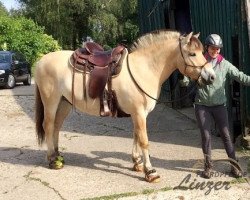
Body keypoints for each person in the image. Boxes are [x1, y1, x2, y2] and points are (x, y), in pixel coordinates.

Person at [194, 34, 250, 179]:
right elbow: (189, 76)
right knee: (206, 136)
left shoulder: (224, 64)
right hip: (202, 105)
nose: (216, 51)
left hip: (219, 105)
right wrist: (185, 80)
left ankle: (234, 166)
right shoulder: (200, 62)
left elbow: (240, 75)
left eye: (218, 49)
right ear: (207, 47)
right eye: (213, 48)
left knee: (226, 135)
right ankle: (208, 167)